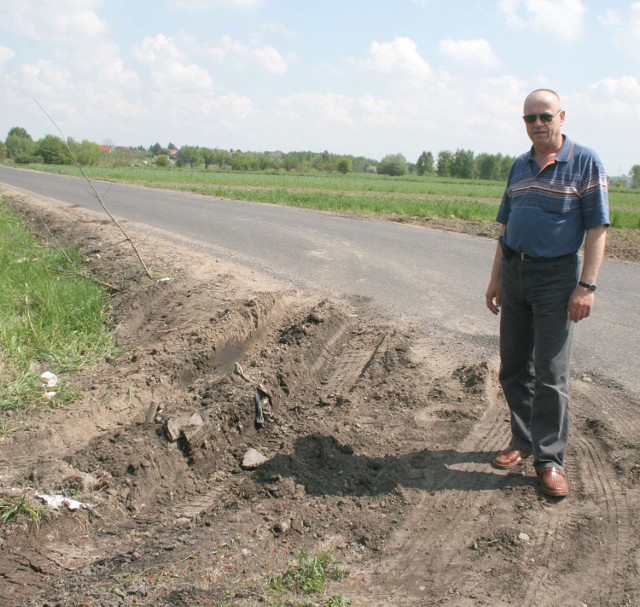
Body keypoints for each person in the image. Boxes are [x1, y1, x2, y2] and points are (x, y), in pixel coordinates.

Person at [485, 88, 609, 498]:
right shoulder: (519, 166)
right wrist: (496, 279)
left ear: (561, 117)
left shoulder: (585, 161)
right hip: (516, 275)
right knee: (514, 368)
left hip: (557, 278)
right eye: (529, 119)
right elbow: (505, 228)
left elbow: (596, 229)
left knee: (551, 375)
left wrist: (586, 286)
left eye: (544, 116)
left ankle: (550, 460)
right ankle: (523, 440)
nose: (537, 124)